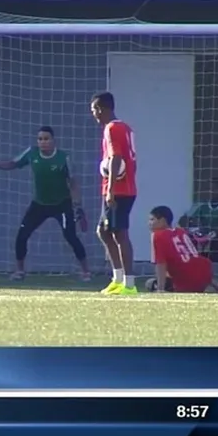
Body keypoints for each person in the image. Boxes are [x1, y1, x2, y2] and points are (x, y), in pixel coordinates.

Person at [0, 126, 91, 281]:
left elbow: (73, 183)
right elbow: (13, 163)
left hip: (62, 204)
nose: (43, 142)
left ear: (53, 141)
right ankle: (19, 271)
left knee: (71, 237)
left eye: (46, 139)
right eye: (40, 139)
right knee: (22, 236)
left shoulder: (63, 158)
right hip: (39, 204)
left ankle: (86, 271)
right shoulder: (31, 153)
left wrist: (78, 206)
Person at [91, 92, 138, 295]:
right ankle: (117, 278)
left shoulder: (112, 128)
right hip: (122, 188)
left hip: (118, 190)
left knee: (120, 234)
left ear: (100, 109)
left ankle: (129, 284)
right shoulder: (125, 127)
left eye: (94, 111)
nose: (94, 115)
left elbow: (116, 158)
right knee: (103, 231)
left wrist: (110, 190)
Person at [147, 206, 218, 294]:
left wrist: (160, 289)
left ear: (162, 220)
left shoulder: (157, 235)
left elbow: (160, 264)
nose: (149, 223)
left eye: (152, 219)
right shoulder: (181, 231)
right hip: (205, 270)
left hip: (187, 278)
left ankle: (176, 288)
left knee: (150, 283)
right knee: (191, 264)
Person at [181, 178, 218, 278]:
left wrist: (216, 232)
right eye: (210, 189)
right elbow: (185, 219)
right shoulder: (199, 204)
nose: (212, 192)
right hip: (201, 234)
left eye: (215, 189)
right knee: (187, 235)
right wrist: (197, 227)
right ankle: (190, 267)